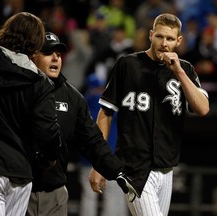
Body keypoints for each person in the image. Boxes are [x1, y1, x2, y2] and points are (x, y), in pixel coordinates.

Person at [88, 13, 210, 216]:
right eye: (160, 36)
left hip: (166, 168)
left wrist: (179, 72)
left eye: (170, 39)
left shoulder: (185, 69)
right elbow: (105, 113)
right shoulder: (127, 65)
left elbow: (203, 108)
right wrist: (99, 162)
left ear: (179, 41)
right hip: (133, 167)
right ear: (151, 35)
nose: (164, 43)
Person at [27, 32, 138, 216]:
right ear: (32, 56)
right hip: (19, 188)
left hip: (55, 191)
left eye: (59, 53)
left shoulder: (73, 98)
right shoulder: (17, 90)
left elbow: (92, 140)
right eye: (48, 52)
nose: (55, 57)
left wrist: (116, 170)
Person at [0, 12, 61, 216]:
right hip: (20, 176)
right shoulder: (41, 83)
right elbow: (47, 131)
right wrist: (49, 158)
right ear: (37, 43)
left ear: (5, 32)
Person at [79, 74, 129, 216]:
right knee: (114, 194)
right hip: (111, 156)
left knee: (88, 195)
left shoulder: (82, 102)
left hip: (88, 158)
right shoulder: (110, 103)